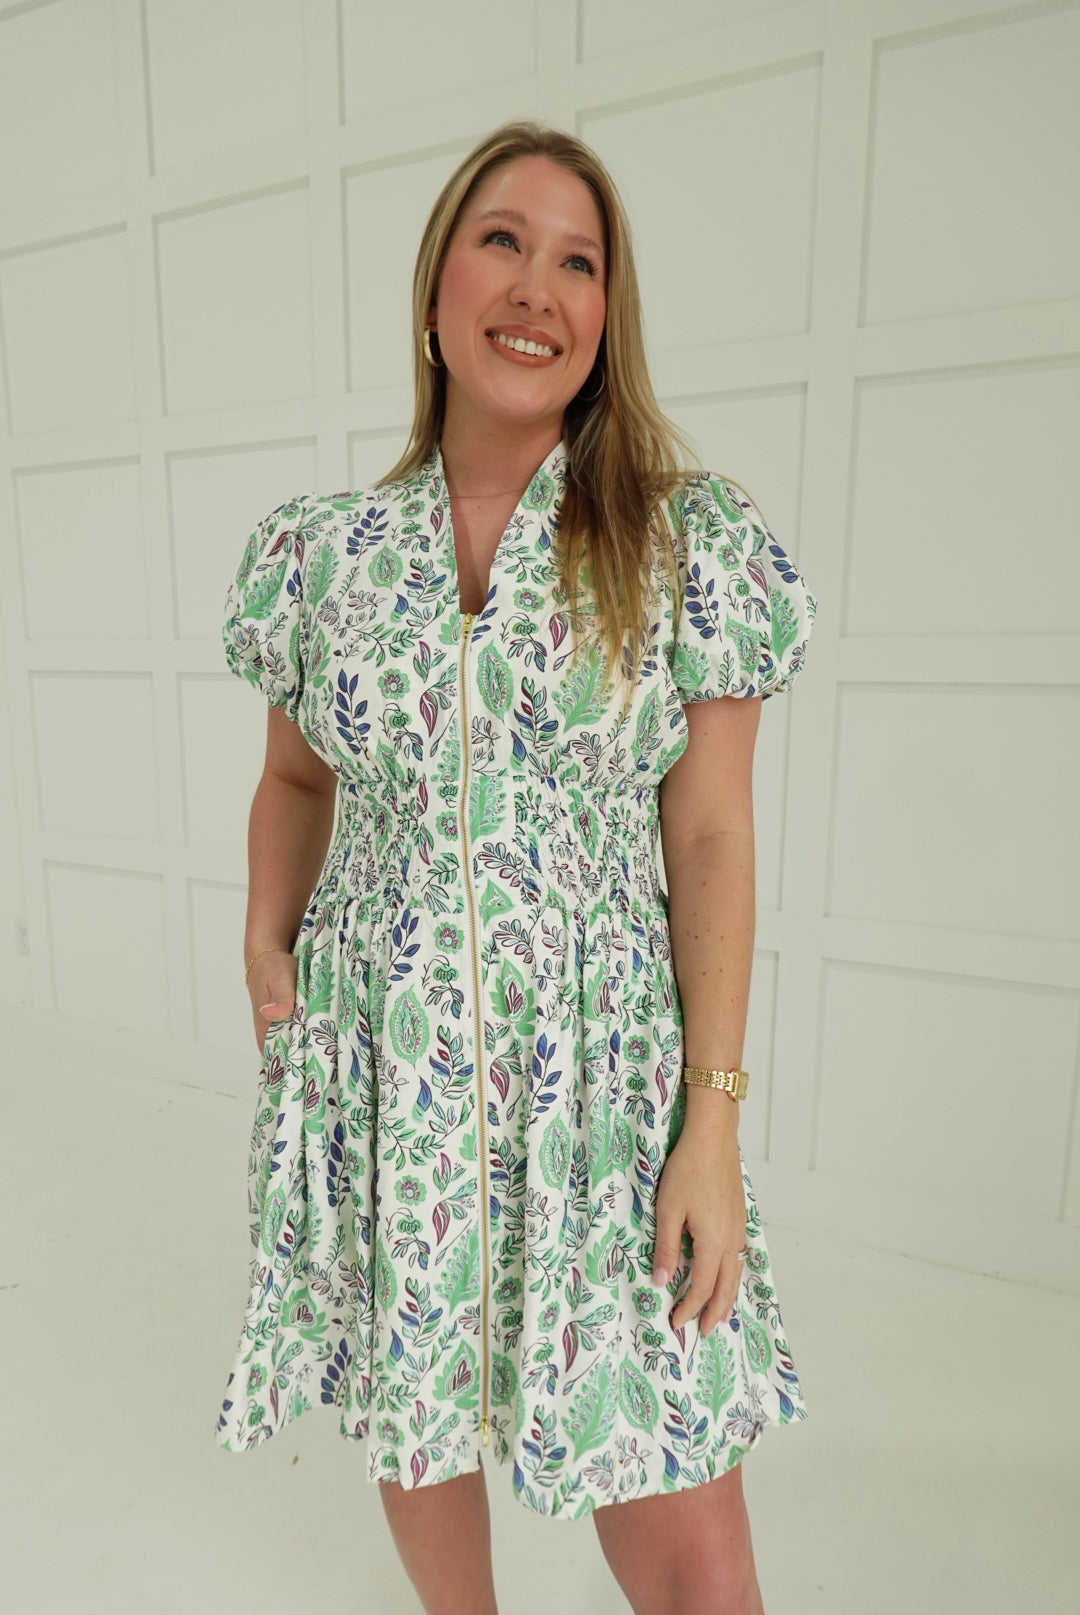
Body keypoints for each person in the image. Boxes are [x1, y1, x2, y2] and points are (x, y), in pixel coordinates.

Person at [215, 119, 817, 1615]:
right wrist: (268, 944)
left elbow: (713, 832)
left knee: (692, 1529)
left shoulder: (680, 544)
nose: (538, 286)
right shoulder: (324, 558)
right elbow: (296, 777)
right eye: (503, 240)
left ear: (607, 319)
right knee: (415, 1417)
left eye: (578, 261)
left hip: (603, 1095)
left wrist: (712, 1124)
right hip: (388, 1073)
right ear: (436, 288)